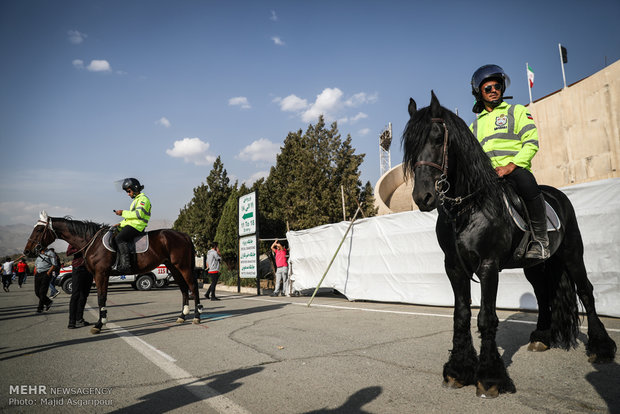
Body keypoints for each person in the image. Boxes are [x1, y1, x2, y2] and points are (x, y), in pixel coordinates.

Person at [469, 64, 549, 260]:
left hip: (515, 171)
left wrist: (511, 166)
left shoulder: (517, 111)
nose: (494, 90)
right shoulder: (474, 125)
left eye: (497, 86)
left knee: (527, 183)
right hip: (488, 177)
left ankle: (540, 240)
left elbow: (531, 142)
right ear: (479, 92)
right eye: (488, 88)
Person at [114, 178, 151, 273]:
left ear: (135, 188)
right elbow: (130, 219)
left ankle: (126, 265)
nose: (128, 194)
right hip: (133, 224)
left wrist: (122, 212)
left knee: (119, 239)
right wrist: (120, 224)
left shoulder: (143, 199)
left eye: (128, 191)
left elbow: (138, 215)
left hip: (138, 226)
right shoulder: (136, 200)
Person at [66, 244, 93, 329]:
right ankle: (71, 322)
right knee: (76, 294)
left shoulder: (91, 240)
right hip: (78, 268)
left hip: (89, 269)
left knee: (84, 295)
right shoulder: (74, 240)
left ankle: (79, 319)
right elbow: (68, 252)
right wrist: (81, 248)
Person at [33, 247, 57, 313]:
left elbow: (54, 264)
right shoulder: (39, 254)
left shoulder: (50, 253)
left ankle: (40, 308)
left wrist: (48, 273)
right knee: (37, 292)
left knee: (42, 292)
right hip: (38, 273)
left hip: (46, 273)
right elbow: (36, 264)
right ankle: (48, 302)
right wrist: (35, 272)